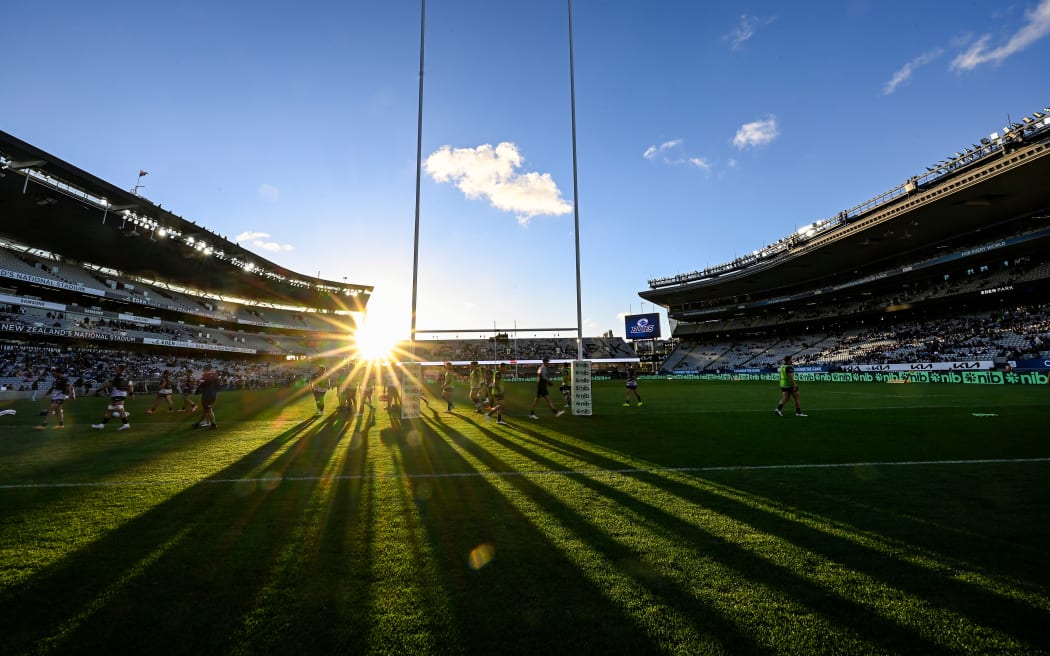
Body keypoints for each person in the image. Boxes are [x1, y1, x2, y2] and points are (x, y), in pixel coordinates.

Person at [91, 364, 134, 431]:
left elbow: (109, 384)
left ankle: (126, 424)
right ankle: (101, 425)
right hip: (122, 394)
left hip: (117, 394)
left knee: (120, 408)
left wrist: (98, 391)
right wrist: (131, 394)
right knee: (110, 409)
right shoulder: (128, 376)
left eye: (117, 368)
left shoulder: (117, 376)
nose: (115, 369)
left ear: (120, 369)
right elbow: (130, 385)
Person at [193, 364, 220, 429]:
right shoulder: (215, 375)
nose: (203, 372)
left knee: (208, 410)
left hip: (207, 396)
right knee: (206, 410)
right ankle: (198, 423)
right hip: (213, 395)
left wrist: (196, 392)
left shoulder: (205, 377)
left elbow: (200, 386)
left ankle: (213, 424)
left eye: (204, 370)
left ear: (206, 370)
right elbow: (218, 386)